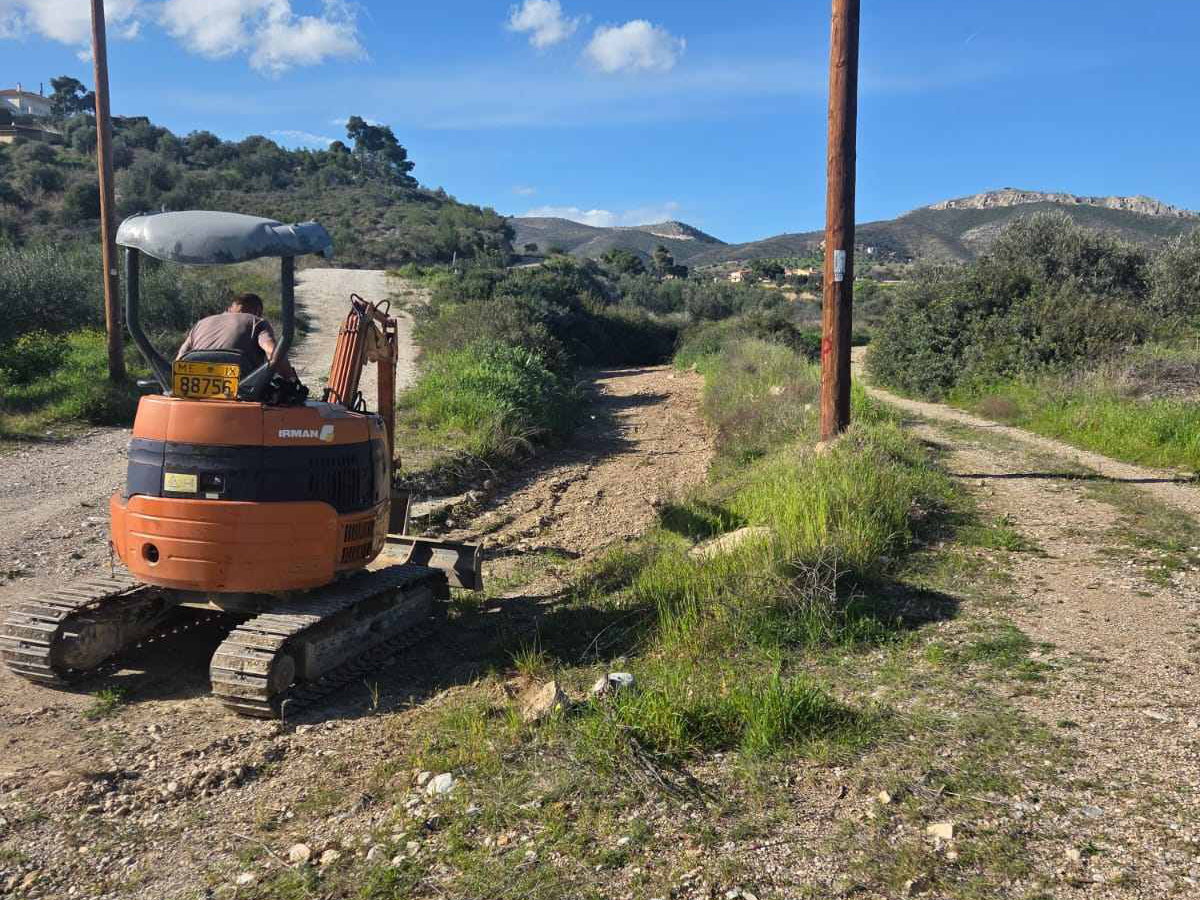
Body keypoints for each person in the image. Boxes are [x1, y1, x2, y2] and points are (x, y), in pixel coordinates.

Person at [176, 292, 297, 380]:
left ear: (229, 308)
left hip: (193, 380)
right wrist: (291, 378)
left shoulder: (201, 323)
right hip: (240, 385)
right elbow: (272, 351)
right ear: (258, 311)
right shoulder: (256, 321)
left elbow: (181, 356)